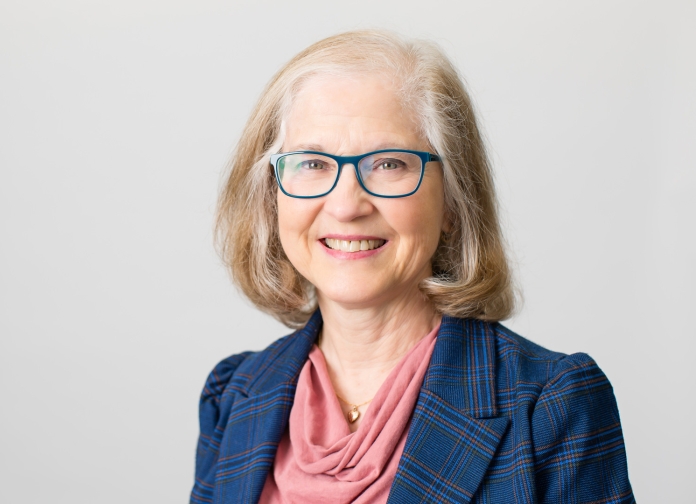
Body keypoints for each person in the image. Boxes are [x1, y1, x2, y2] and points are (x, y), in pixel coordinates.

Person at [192, 30, 634, 504]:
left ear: (451, 203)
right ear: (272, 196)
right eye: (312, 163)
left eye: (388, 164)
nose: (345, 205)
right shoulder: (234, 396)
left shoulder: (550, 407)